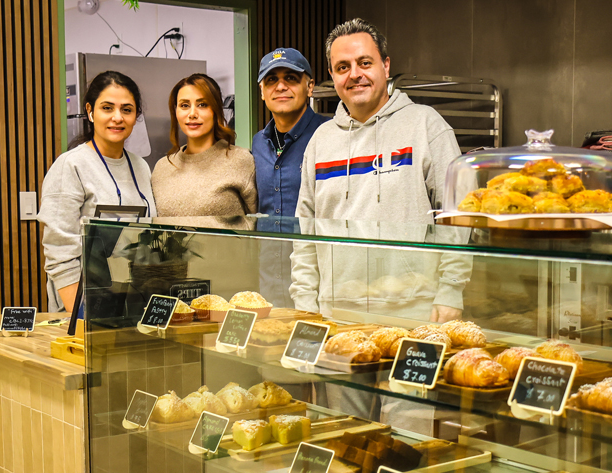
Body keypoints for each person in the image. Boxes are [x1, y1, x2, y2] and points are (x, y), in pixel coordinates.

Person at [290, 18, 471, 323]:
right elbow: (305, 233)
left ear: (386, 66)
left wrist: (451, 290)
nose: (355, 74)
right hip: (336, 313)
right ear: (332, 75)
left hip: (417, 310)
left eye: (364, 62)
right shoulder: (321, 141)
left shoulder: (426, 125)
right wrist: (305, 302)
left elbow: (458, 217)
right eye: (343, 67)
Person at [38, 70, 156, 313]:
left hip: (135, 301)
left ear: (136, 116)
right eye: (107, 108)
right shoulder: (70, 165)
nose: (117, 117)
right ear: (90, 112)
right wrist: (81, 315)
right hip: (84, 303)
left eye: (126, 109)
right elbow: (60, 250)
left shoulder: (141, 166)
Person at [251, 48, 328, 307]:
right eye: (271, 80)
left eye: (291, 78)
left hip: (318, 287)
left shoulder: (329, 136)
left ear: (310, 86)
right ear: (262, 91)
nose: (281, 86)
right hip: (269, 287)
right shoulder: (258, 142)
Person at [152, 73, 257, 217]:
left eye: (202, 105)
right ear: (175, 112)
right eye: (184, 105)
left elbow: (259, 224)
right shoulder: (162, 168)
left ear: (216, 110)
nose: (192, 114)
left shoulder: (241, 160)